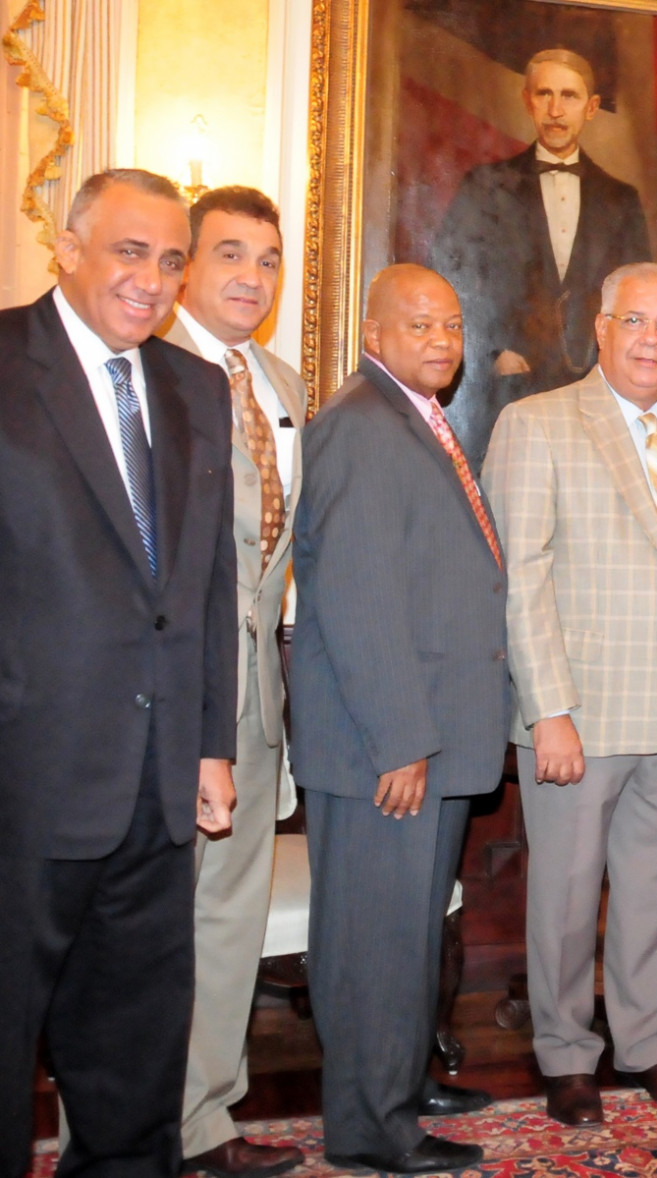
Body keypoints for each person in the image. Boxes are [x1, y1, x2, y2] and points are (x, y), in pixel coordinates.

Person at [0, 168, 237, 1178]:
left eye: (172, 260)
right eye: (130, 251)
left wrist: (211, 742)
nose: (153, 279)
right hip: (24, 779)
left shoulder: (196, 386)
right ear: (67, 247)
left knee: (136, 1061)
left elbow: (209, 581)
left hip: (157, 785)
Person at [483, 262, 657, 1125]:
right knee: (563, 895)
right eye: (635, 321)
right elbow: (521, 579)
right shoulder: (537, 424)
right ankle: (565, 1054)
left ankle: (647, 1045)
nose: (651, 340)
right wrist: (547, 710)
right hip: (579, 716)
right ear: (600, 328)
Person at [289, 264, 512, 1174]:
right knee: (373, 945)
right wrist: (402, 742)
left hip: (428, 737)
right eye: (418, 325)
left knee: (409, 932)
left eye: (452, 324)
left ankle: (402, 1082)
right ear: (372, 334)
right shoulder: (358, 426)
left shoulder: (411, 420)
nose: (441, 340)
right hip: (387, 747)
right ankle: (371, 1129)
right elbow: (358, 598)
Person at [161, 186, 307, 1178]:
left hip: (256, 704)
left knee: (227, 921)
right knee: (143, 930)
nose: (251, 277)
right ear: (185, 266)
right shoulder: (147, 371)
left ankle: (204, 1123)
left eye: (267, 259)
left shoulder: (281, 383)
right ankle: (125, 1132)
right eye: (229, 254)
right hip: (164, 706)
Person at [433, 48, 657, 466]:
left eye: (569, 96)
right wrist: (490, 354)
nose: (556, 110)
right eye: (544, 94)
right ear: (527, 100)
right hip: (505, 400)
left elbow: (639, 302)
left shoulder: (621, 200)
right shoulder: (483, 188)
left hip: (598, 408)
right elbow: (450, 283)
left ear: (591, 107)